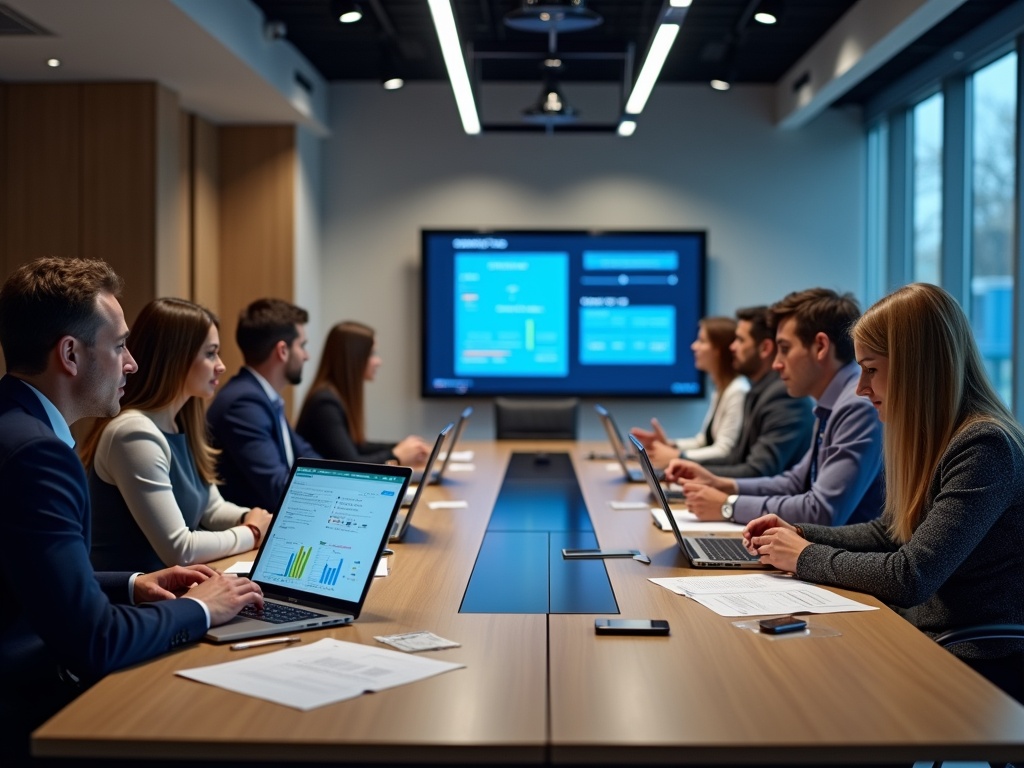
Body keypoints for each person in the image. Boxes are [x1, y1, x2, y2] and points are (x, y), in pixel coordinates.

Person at [0, 258, 263, 758]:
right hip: (26, 711)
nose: (132, 364)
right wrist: (201, 608)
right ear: (70, 354)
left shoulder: (14, 425)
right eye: (120, 346)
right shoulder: (37, 455)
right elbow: (95, 640)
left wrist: (132, 584)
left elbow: (25, 576)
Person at [743, 283, 1024, 701]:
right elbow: (888, 533)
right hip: (926, 634)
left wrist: (803, 556)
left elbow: (911, 577)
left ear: (917, 368)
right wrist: (799, 533)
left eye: (871, 370)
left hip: (976, 658)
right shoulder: (937, 437)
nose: (861, 388)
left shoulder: (985, 446)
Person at [80, 298, 273, 572]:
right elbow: (180, 550)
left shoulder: (181, 423)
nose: (221, 366)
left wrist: (252, 517)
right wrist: (252, 532)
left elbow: (212, 509)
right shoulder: (133, 433)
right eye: (210, 354)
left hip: (170, 588)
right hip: (129, 595)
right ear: (176, 358)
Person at [663, 287, 884, 526]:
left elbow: (821, 511)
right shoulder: (833, 401)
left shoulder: (857, 405)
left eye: (785, 349)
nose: (777, 364)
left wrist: (728, 506)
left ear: (821, 347)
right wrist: (722, 484)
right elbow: (795, 482)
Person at [207, 298, 321, 509]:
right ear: (282, 350)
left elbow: (308, 458)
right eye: (302, 346)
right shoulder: (243, 404)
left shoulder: (263, 397)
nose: (307, 356)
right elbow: (278, 488)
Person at [700, 305, 815, 477]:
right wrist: (685, 466)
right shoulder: (758, 391)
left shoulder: (783, 396)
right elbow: (736, 458)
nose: (732, 347)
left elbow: (758, 471)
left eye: (740, 340)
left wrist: (691, 471)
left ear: (765, 348)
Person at [297, 321, 429, 466]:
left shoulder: (332, 395)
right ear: (353, 357)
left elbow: (357, 447)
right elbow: (352, 464)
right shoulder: (325, 404)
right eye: (372, 353)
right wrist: (396, 455)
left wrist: (402, 447)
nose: (378, 361)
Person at [631, 316, 750, 469]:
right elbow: (703, 441)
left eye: (702, 341)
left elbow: (724, 451)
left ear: (718, 350)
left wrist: (678, 456)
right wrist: (670, 445)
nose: (694, 346)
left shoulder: (738, 390)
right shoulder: (721, 388)